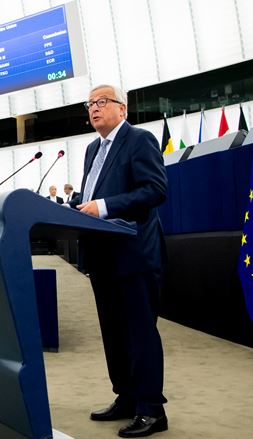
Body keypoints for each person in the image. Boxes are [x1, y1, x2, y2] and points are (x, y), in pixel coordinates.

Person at [70, 84, 168, 437]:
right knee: (113, 333)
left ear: (121, 109)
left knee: (139, 332)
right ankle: (125, 397)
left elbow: (156, 190)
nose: (94, 108)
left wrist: (103, 207)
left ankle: (151, 409)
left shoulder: (139, 140)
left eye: (101, 102)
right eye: (89, 103)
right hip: (102, 254)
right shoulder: (92, 149)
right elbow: (92, 196)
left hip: (134, 253)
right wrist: (78, 206)